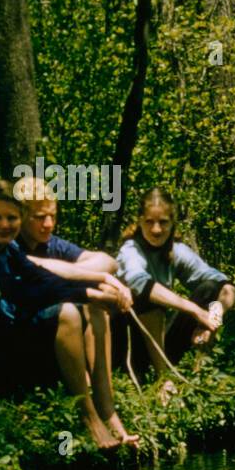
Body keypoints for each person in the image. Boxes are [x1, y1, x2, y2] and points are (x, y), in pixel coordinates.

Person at [0, 179, 130, 452]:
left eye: (11, 217)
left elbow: (38, 277)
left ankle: (106, 410)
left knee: (77, 309)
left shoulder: (10, 248)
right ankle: (89, 416)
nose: (5, 224)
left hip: (13, 333)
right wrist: (89, 293)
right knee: (67, 314)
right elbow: (21, 292)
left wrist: (97, 291)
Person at [14, 176, 138, 446]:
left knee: (97, 309)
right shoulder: (10, 245)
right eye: (39, 217)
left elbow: (107, 262)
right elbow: (31, 275)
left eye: (52, 216)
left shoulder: (51, 244)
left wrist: (83, 275)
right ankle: (88, 416)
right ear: (21, 215)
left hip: (57, 338)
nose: (48, 224)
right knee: (71, 309)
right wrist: (87, 279)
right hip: (18, 344)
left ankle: (108, 410)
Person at [116, 187, 235, 395]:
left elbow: (225, 286)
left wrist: (212, 320)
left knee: (209, 289)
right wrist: (196, 311)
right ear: (139, 221)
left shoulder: (176, 250)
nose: (156, 230)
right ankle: (164, 379)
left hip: (158, 340)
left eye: (163, 222)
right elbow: (141, 285)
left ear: (172, 223)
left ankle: (199, 371)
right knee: (151, 301)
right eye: (149, 222)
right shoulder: (131, 250)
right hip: (126, 342)